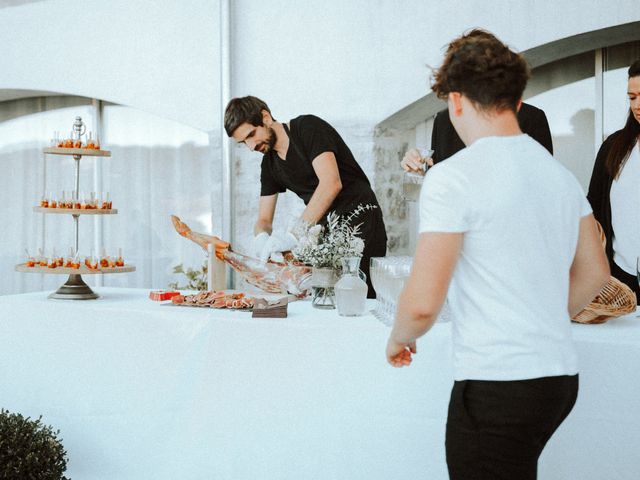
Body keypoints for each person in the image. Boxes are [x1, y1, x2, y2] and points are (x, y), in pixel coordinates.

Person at [386, 29, 610, 479]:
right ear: (517, 100)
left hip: (498, 382)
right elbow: (595, 273)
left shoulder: (453, 177)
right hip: (558, 380)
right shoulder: (557, 175)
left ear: (456, 101)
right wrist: (539, 314)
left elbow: (423, 302)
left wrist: (399, 336)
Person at [224, 96, 387, 297]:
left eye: (251, 135)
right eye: (243, 142)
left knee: (359, 297)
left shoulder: (307, 128)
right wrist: (261, 239)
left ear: (265, 117)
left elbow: (331, 183)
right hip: (327, 233)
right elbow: (263, 220)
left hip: (361, 221)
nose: (250, 146)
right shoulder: (269, 165)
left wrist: (294, 235)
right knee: (326, 299)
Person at [587, 59, 640, 303]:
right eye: (632, 97)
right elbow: (594, 210)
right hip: (622, 277)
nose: (637, 105)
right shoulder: (614, 147)